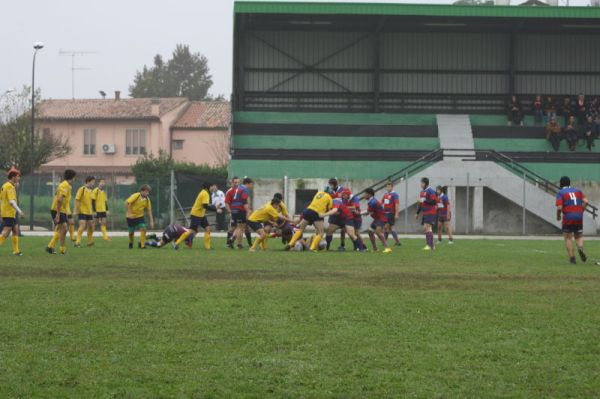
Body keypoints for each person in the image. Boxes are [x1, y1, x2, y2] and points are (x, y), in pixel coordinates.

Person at [555, 176, 588, 264]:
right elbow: (586, 201)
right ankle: (580, 248)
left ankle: (572, 259)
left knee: (568, 238)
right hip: (578, 216)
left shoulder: (561, 193)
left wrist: (558, 216)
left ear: (561, 184)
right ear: (569, 183)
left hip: (568, 217)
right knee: (579, 236)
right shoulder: (578, 191)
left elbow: (559, 207)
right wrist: (581, 210)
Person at [176, 182, 216, 250]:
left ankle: (208, 247)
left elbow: (205, 206)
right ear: (208, 187)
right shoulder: (205, 193)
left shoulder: (204, 192)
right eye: (212, 186)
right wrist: (216, 209)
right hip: (196, 215)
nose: (213, 188)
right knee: (191, 231)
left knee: (208, 229)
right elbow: (205, 206)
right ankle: (176, 243)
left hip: (201, 215)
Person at [46, 169, 76, 255]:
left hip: (61, 210)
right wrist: (58, 214)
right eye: (74, 177)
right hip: (57, 210)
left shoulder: (68, 186)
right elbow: (59, 200)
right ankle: (59, 249)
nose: (75, 179)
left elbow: (64, 200)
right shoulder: (64, 185)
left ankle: (52, 247)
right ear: (72, 177)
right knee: (64, 228)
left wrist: (67, 213)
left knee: (63, 229)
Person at [0, 169, 24, 256]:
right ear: (13, 177)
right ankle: (16, 251)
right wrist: (20, 211)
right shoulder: (10, 186)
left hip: (8, 213)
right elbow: (11, 201)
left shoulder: (5, 185)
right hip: (9, 213)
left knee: (15, 229)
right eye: (18, 176)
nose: (19, 178)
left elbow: (1, 199)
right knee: (6, 232)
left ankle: (16, 251)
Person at [361, 188, 392, 253]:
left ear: (369, 194)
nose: (364, 195)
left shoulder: (372, 202)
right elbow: (369, 212)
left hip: (381, 218)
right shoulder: (371, 201)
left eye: (365, 194)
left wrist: (359, 213)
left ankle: (387, 248)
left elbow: (368, 212)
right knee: (370, 231)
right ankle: (375, 248)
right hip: (377, 219)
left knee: (378, 232)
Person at [125, 184, 155, 249]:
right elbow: (126, 203)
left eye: (148, 192)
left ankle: (142, 245)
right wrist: (129, 213)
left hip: (140, 217)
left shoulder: (147, 199)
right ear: (142, 191)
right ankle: (131, 242)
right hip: (131, 217)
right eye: (147, 192)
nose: (148, 193)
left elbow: (149, 210)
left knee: (143, 228)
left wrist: (151, 221)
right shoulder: (136, 196)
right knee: (131, 233)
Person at [74, 176, 96, 248]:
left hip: (89, 212)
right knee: (82, 226)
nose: (93, 183)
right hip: (82, 211)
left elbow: (92, 202)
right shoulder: (81, 189)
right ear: (88, 182)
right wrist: (76, 210)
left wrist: (94, 211)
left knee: (91, 227)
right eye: (92, 182)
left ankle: (90, 242)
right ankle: (77, 242)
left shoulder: (92, 191)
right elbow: (77, 199)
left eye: (94, 182)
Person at [416, 177, 438, 251]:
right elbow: (421, 204)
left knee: (427, 227)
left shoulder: (430, 191)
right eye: (421, 183)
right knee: (426, 228)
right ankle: (432, 246)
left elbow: (434, 201)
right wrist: (417, 213)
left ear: (425, 183)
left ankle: (429, 245)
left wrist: (424, 200)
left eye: (422, 183)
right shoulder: (422, 192)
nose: (421, 184)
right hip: (425, 213)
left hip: (430, 212)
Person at [382, 181, 401, 246]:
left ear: (392, 187)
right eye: (387, 187)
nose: (388, 188)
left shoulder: (394, 194)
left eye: (389, 187)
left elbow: (397, 204)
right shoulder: (385, 194)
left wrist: (396, 213)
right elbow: (381, 202)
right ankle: (397, 242)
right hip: (385, 213)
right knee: (390, 228)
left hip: (391, 213)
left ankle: (384, 242)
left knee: (386, 227)